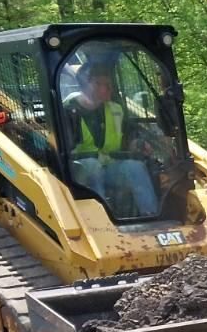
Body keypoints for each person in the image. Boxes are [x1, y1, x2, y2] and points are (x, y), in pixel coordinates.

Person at [64, 53, 161, 218]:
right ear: (88, 84)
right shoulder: (67, 110)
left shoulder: (115, 109)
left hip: (109, 166)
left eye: (110, 83)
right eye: (104, 84)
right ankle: (103, 218)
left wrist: (138, 144)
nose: (111, 88)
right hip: (77, 169)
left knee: (134, 167)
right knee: (92, 166)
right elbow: (64, 148)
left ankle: (150, 214)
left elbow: (126, 138)